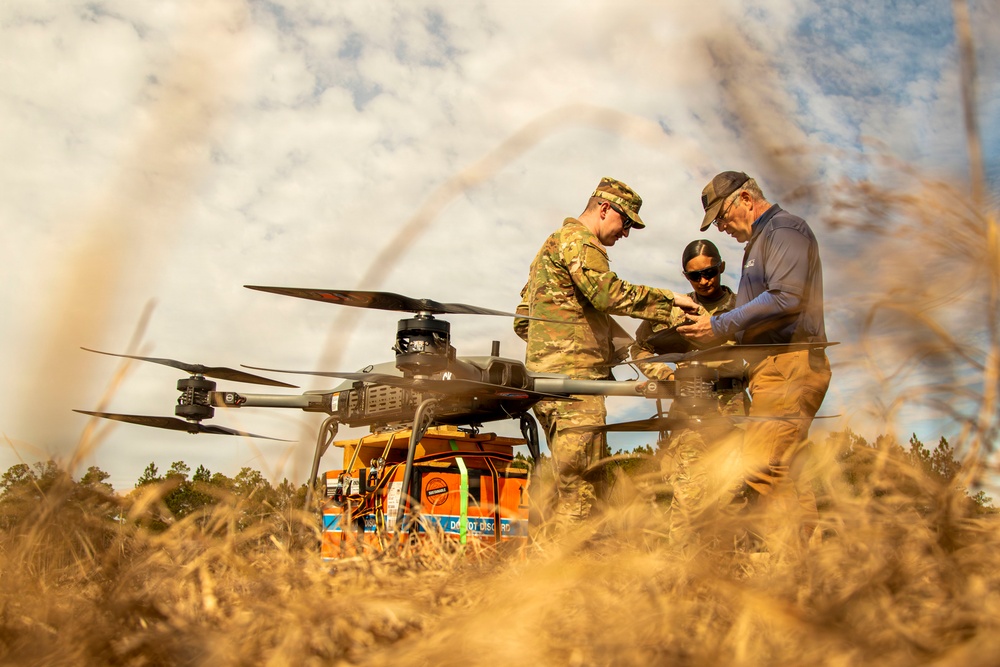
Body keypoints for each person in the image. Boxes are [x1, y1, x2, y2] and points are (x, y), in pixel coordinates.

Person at [514, 177, 698, 529]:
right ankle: (566, 578)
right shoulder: (580, 242)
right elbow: (608, 295)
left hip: (544, 386)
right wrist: (669, 301)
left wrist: (578, 337)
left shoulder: (547, 250)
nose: (625, 233)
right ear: (604, 209)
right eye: (625, 222)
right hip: (576, 388)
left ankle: (552, 576)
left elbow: (524, 321)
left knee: (571, 488)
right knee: (583, 496)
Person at [678, 171, 831, 549]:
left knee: (764, 463)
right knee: (784, 466)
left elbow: (786, 297)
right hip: (773, 367)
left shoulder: (784, 230)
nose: (721, 226)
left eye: (722, 216)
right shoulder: (761, 241)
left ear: (745, 199)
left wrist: (721, 324)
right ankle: (806, 560)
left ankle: (789, 560)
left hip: (788, 363)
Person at [631, 239, 745, 546]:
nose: (705, 281)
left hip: (731, 412)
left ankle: (727, 571)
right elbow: (639, 347)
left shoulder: (741, 309)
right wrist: (666, 376)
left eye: (710, 272)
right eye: (696, 276)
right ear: (686, 277)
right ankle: (680, 573)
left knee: (732, 491)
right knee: (688, 493)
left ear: (721, 268)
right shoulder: (675, 311)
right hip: (688, 412)